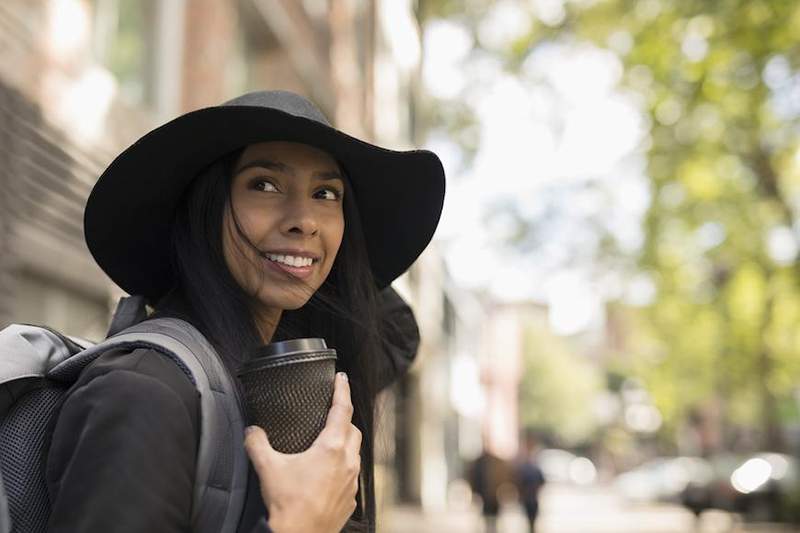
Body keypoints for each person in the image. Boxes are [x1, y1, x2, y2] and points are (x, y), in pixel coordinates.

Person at [44, 91, 445, 532]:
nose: (305, 220)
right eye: (265, 184)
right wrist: (300, 525)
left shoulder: (277, 377)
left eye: (326, 193)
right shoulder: (141, 391)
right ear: (207, 205)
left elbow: (399, 333)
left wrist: (332, 262)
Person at [514, 432, 546, 533]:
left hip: (532, 497)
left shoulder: (535, 465)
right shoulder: (524, 466)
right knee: (529, 520)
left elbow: (542, 481)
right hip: (527, 497)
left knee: (532, 520)